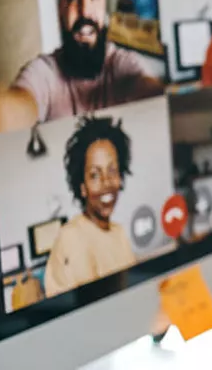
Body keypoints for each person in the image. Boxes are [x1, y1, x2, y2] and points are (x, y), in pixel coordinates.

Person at [0, 0, 166, 135]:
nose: (85, 11)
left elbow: (145, 89)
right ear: (60, 10)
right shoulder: (44, 74)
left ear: (105, 5)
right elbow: (10, 109)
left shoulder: (123, 64)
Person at [43, 116, 138, 298]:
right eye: (95, 175)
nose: (106, 182)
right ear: (83, 188)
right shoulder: (72, 237)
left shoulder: (119, 232)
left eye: (112, 171)